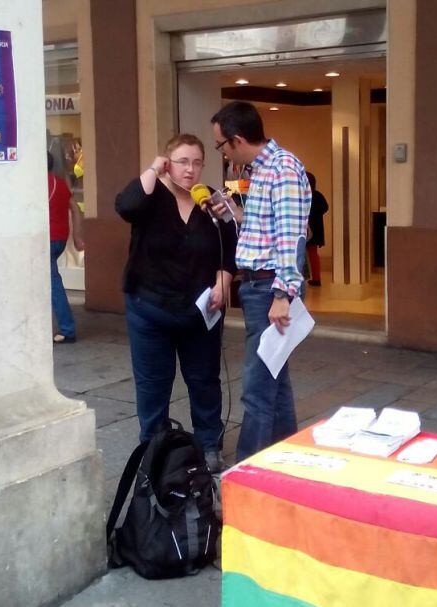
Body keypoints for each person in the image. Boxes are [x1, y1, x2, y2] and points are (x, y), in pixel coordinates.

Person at [115, 133, 237, 472]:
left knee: (204, 379)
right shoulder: (151, 195)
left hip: (200, 311)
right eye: (183, 162)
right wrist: (154, 169)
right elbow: (126, 205)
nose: (190, 170)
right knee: (153, 383)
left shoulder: (211, 199)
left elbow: (232, 243)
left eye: (197, 162)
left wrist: (223, 279)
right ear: (168, 162)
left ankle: (209, 443)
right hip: (150, 307)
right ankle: (155, 448)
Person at [209, 101, 312, 462]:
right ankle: (288, 459)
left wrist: (283, 294)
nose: (221, 153)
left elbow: (290, 238)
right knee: (274, 381)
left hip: (269, 288)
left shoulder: (282, 168)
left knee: (256, 389)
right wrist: (237, 213)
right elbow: (268, 229)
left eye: (220, 146)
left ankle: (245, 475)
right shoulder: (263, 170)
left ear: (236, 140)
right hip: (259, 287)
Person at [48, 151, 84, 344]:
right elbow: (75, 208)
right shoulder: (60, 184)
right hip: (60, 239)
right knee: (48, 282)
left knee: (53, 284)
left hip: (46, 240)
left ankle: (67, 329)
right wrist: (77, 237)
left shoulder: (36, 184)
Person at [305, 172, 329, 286]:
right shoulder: (317, 195)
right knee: (313, 254)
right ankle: (316, 278)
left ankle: (305, 278)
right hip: (317, 228)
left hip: (305, 228)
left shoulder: (303, 195)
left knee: (302, 254)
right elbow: (325, 208)